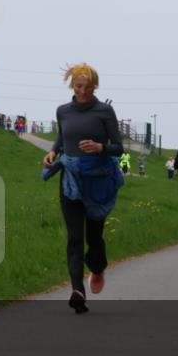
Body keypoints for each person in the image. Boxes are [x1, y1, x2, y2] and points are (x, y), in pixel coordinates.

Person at [42, 63, 124, 314]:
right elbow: (62, 136)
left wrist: (100, 148)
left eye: (87, 86)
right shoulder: (63, 111)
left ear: (94, 86)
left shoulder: (104, 111)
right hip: (70, 180)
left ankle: (97, 268)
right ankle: (77, 290)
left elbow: (118, 147)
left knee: (94, 237)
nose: (82, 91)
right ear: (72, 85)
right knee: (75, 237)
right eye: (78, 86)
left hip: (97, 179)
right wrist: (53, 151)